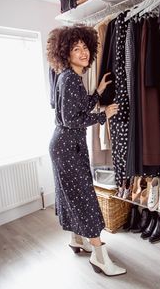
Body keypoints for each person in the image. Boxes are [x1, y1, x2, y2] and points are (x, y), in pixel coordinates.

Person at [46, 26, 126, 276]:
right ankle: (100, 257)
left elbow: (77, 107)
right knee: (84, 197)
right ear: (65, 53)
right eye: (75, 49)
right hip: (68, 146)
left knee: (73, 193)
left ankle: (77, 240)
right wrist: (103, 115)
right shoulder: (70, 78)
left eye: (85, 47)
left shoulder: (68, 76)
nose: (83, 52)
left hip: (65, 145)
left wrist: (99, 92)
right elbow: (71, 119)